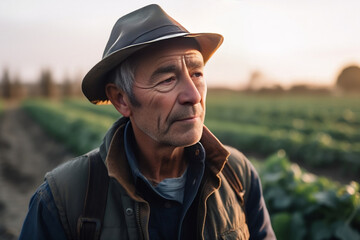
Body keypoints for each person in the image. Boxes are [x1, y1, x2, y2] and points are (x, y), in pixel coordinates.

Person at [19, 4, 275, 240]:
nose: (194, 95)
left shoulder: (237, 174)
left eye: (197, 73)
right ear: (121, 100)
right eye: (167, 80)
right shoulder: (62, 199)